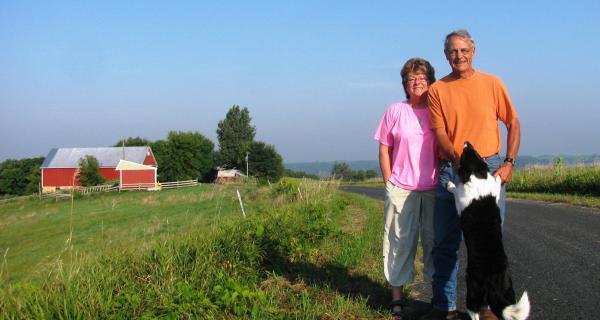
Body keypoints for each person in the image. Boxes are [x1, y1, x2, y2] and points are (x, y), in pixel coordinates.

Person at [420, 30, 521, 320]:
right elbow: (439, 132)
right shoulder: (437, 90)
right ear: (445, 55)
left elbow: (513, 122)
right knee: (444, 244)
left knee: (488, 246)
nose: (459, 56)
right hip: (452, 169)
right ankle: (444, 307)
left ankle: (487, 308)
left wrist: (510, 162)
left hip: (488, 169)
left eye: (464, 50)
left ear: (473, 52)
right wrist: (457, 157)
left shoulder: (492, 83)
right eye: (453, 51)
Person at [373, 57, 437, 320]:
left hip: (434, 187)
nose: (417, 83)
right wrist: (389, 181)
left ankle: (437, 299)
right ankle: (397, 300)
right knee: (399, 242)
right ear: (405, 84)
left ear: (430, 81)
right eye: (411, 79)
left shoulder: (438, 108)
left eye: (422, 78)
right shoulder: (395, 110)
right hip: (400, 187)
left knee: (435, 243)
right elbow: (384, 148)